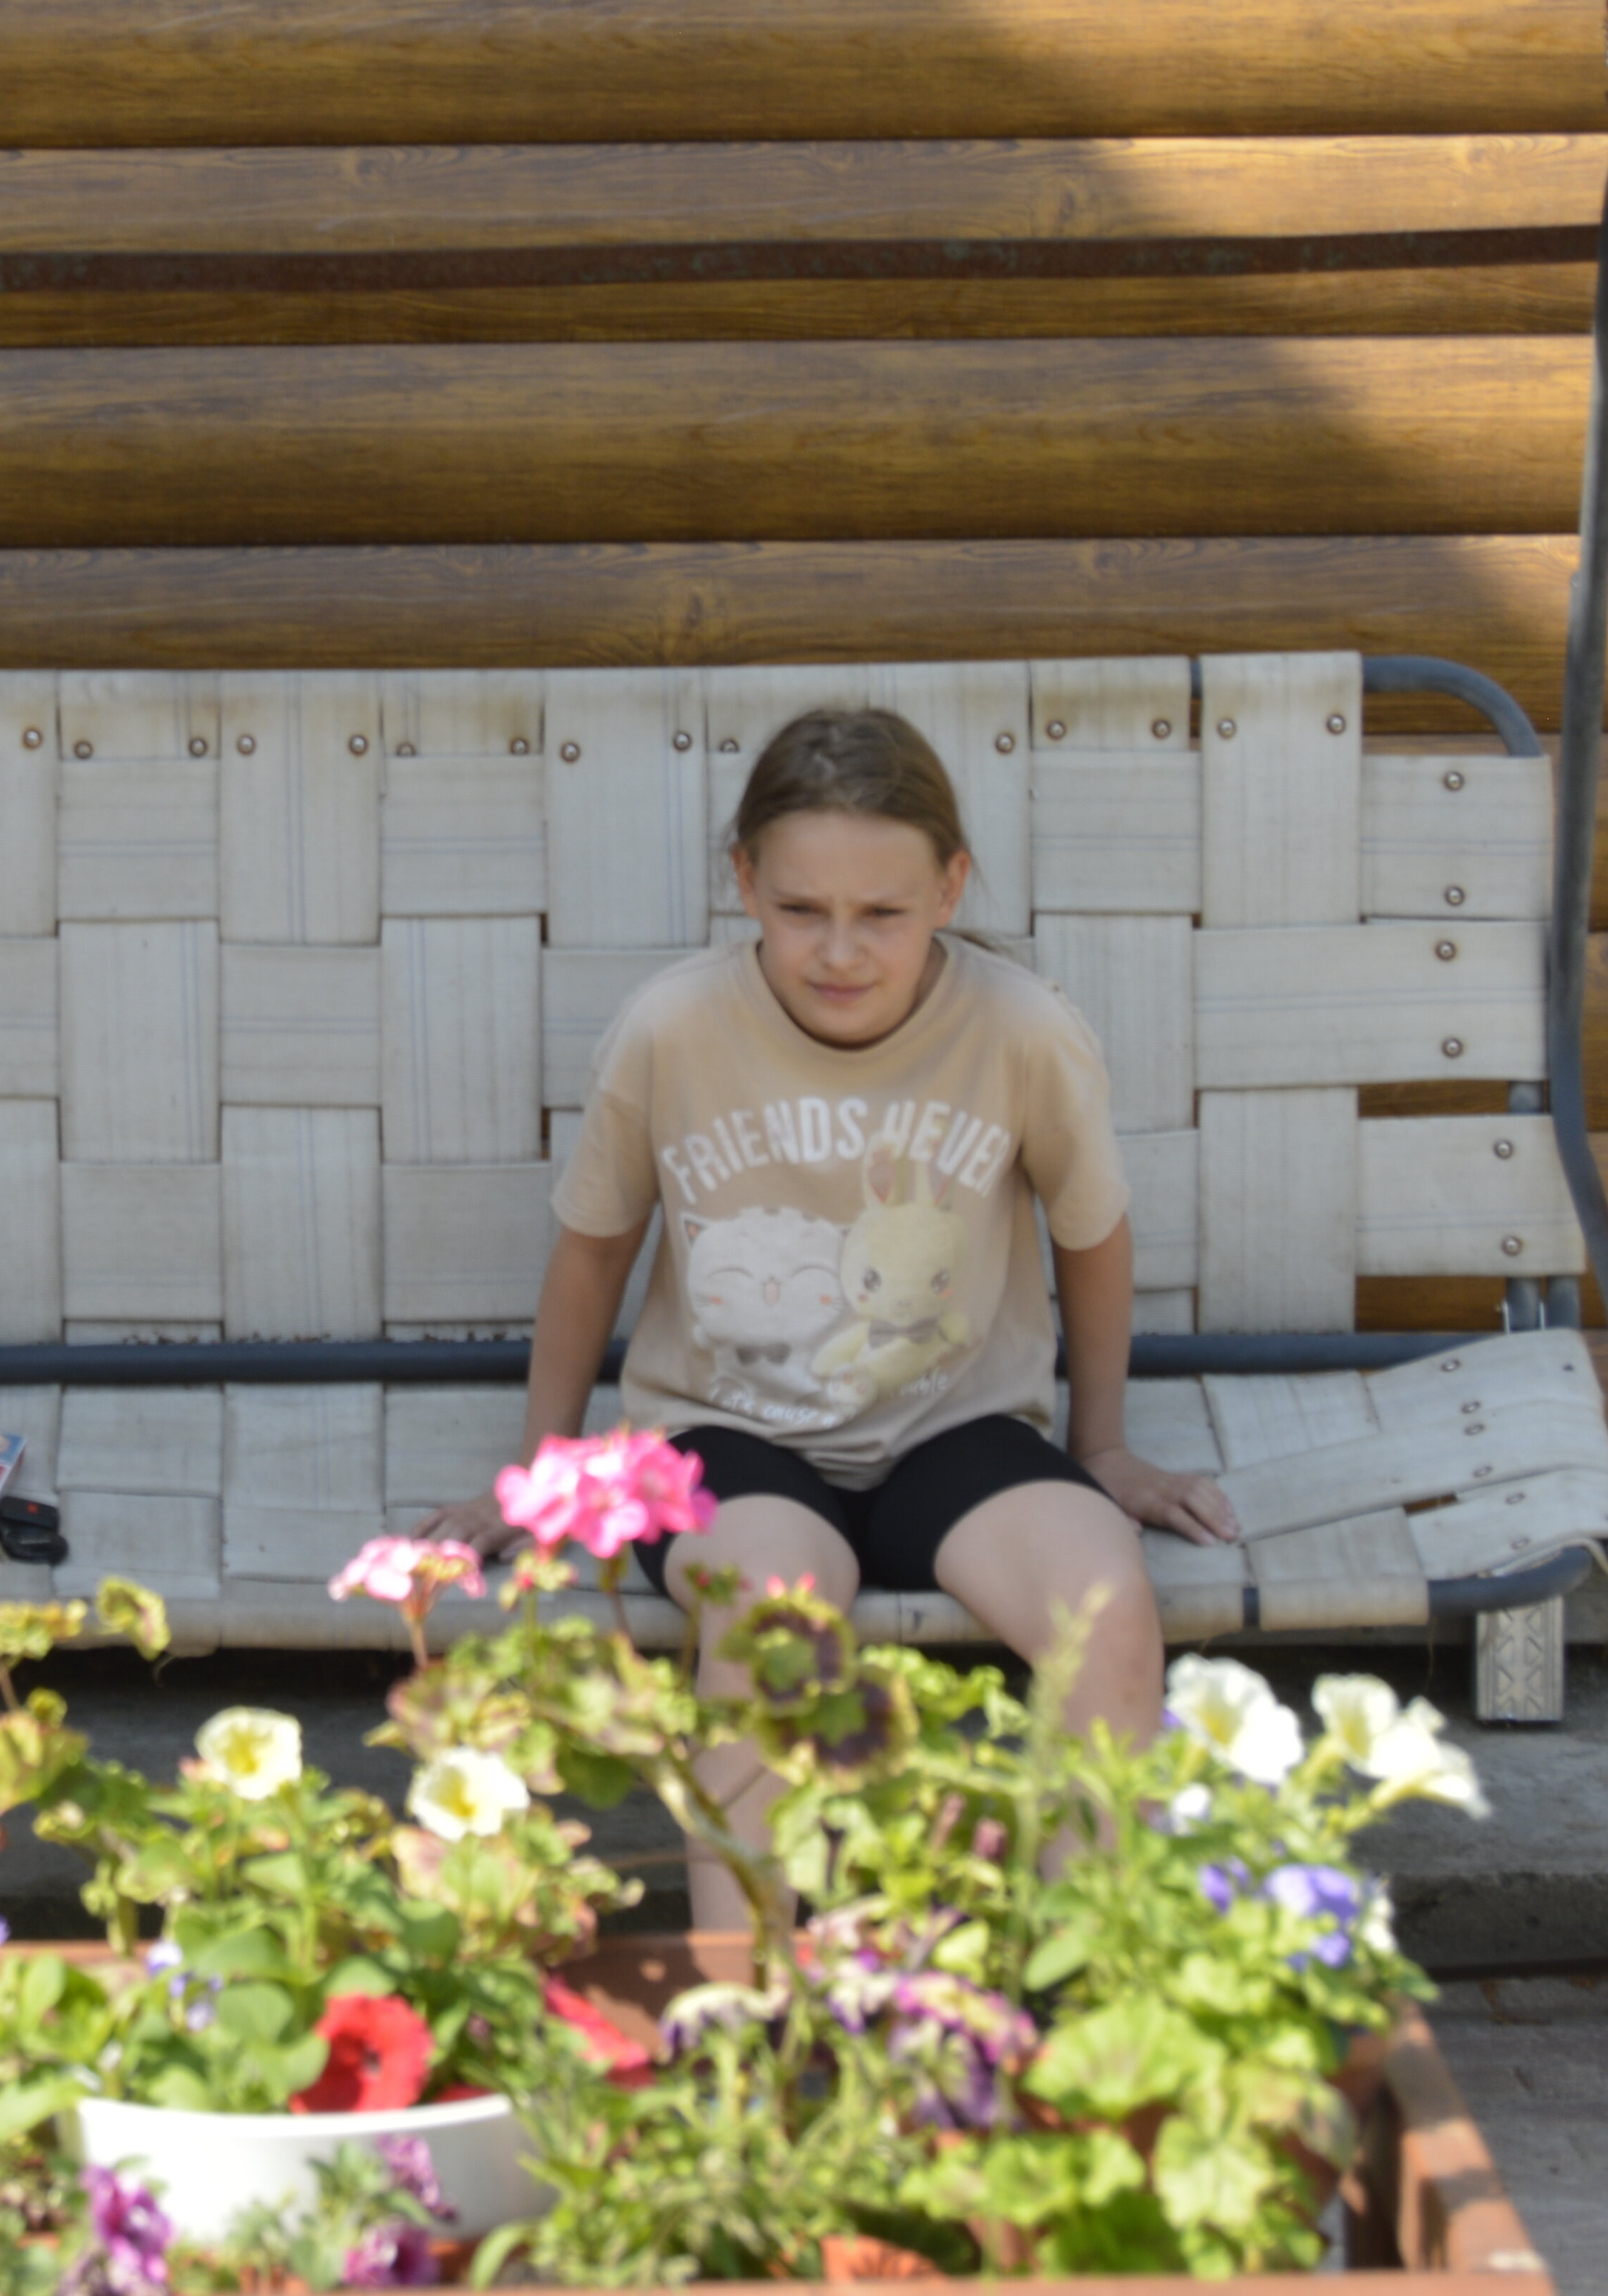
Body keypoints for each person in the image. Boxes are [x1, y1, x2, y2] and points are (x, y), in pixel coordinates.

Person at [434, 704, 1239, 1928]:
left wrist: (1104, 1449)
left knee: (1109, 1610)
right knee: (770, 1615)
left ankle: (1092, 2016)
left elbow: (1093, 1232)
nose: (841, 951)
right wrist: (538, 1474)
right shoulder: (673, 1030)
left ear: (952, 888)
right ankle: (747, 2015)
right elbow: (594, 1253)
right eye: (804, 908)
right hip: (726, 1434)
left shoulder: (1021, 1032)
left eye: (884, 914)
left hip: (956, 1430)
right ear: (745, 880)